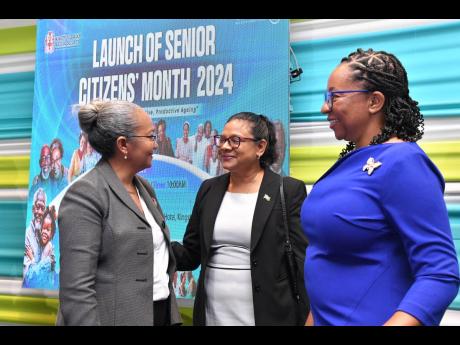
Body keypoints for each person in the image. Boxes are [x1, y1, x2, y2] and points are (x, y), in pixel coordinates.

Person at [301, 48, 460, 326]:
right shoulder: (350, 162)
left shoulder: (404, 163)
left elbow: (440, 274)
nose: (324, 108)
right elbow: (328, 258)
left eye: (334, 96)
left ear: (374, 101)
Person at [172, 112, 309, 326]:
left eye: (234, 140)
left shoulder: (287, 190)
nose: (224, 147)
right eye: (222, 139)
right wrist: (153, 245)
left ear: (260, 147)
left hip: (269, 315)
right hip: (213, 315)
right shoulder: (209, 189)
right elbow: (191, 253)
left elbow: (302, 262)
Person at [57, 100, 181, 326]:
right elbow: (76, 291)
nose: (156, 145)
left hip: (159, 314)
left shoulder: (145, 189)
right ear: (123, 144)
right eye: (151, 137)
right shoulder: (85, 194)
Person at [24, 205, 58, 289]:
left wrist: (32, 258)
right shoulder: (43, 245)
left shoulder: (48, 246)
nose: (44, 232)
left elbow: (37, 274)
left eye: (48, 230)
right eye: (43, 228)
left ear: (52, 233)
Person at [23, 187, 47, 279]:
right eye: (37, 207)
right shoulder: (26, 235)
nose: (40, 212)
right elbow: (27, 274)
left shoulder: (46, 233)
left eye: (43, 208)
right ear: (33, 209)